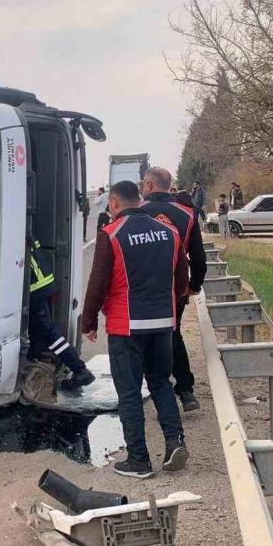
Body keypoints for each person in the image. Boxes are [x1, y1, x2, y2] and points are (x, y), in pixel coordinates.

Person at [81, 181, 189, 478]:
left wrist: (88, 321)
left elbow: (97, 283)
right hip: (162, 323)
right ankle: (174, 442)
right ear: (139, 201)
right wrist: (171, 307)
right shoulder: (169, 232)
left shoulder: (111, 234)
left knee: (129, 393)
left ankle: (139, 461)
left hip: (126, 325)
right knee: (160, 382)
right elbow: (182, 278)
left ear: (114, 203)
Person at [140, 167, 207, 412]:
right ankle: (185, 390)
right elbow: (199, 258)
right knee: (173, 333)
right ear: (169, 186)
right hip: (175, 287)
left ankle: (157, 390)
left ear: (148, 186)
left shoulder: (135, 212)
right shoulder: (187, 214)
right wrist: (193, 286)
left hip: (141, 287)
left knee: (144, 338)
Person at [28, 238, 95, 390]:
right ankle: (33, 369)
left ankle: (80, 369)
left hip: (36, 288)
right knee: (37, 330)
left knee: (48, 331)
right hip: (41, 284)